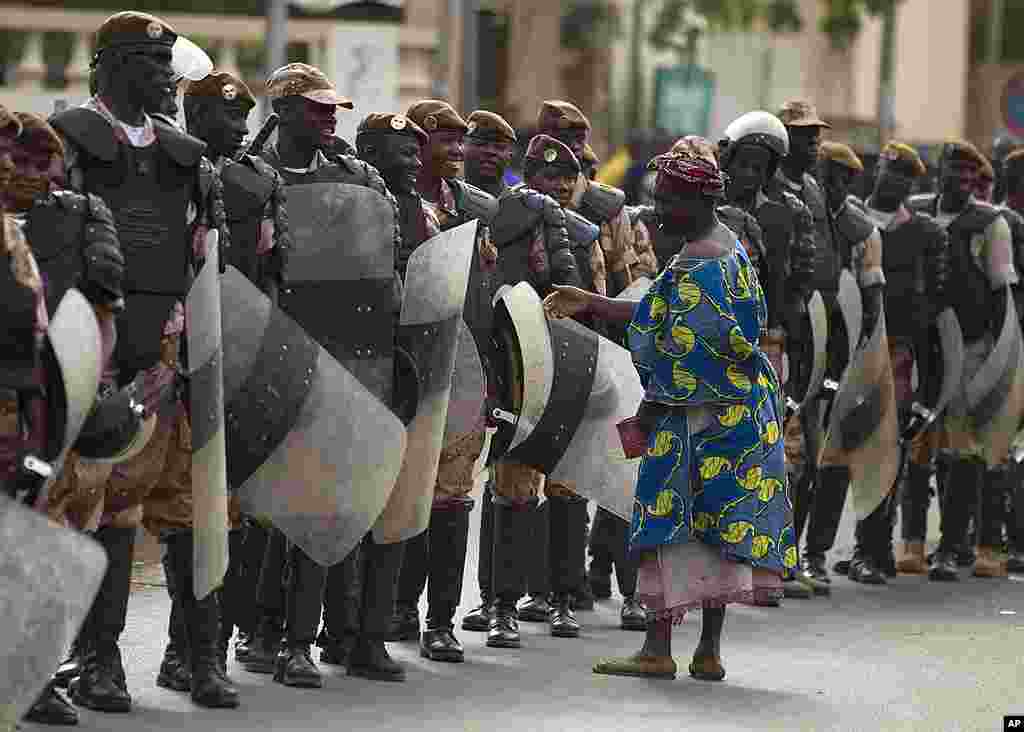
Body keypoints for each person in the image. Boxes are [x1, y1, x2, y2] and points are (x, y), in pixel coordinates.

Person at [544, 136, 794, 682]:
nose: (657, 211)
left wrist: (651, 413)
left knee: (666, 527)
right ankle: (707, 652)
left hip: (696, 419)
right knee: (718, 530)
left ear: (698, 203)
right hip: (736, 420)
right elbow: (661, 307)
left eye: (668, 200)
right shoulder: (722, 246)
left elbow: (680, 350)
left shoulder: (701, 266)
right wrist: (589, 300)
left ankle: (658, 649)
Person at [48, 11, 235, 713]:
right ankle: (89, 663)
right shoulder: (66, 140)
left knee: (172, 504)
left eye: (167, 66)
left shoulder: (188, 159)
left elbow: (201, 265)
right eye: (152, 65)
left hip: (168, 350)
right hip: (85, 347)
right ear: (113, 66)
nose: (166, 77)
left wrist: (191, 351)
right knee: (82, 509)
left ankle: (196, 656)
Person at [257, 62, 407, 684]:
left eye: (333, 109)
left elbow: (382, 265)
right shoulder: (248, 176)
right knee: (273, 514)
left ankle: (327, 637)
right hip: (275, 357)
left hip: (347, 361)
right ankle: (266, 633)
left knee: (334, 506)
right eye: (317, 108)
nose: (330, 118)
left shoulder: (355, 177)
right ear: (284, 110)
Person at [180, 71, 291, 674]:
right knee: (183, 513)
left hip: (243, 353)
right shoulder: (175, 168)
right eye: (226, 115)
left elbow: (273, 267)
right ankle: (182, 649)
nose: (239, 125)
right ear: (195, 116)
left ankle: (221, 642)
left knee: (240, 510)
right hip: (182, 355)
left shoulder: (258, 180)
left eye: (244, 115)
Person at [907, 140, 1021, 581]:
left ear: (978, 181)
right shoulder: (915, 210)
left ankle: (953, 548)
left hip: (969, 348)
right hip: (918, 346)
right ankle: (909, 545)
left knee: (961, 450)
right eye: (953, 170)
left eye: (970, 175)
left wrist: (996, 358)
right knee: (915, 446)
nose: (960, 180)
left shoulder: (991, 223)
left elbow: (1000, 294)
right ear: (938, 172)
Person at [855, 143, 949, 582]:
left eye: (904, 178)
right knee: (835, 457)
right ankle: (833, 552)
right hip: (849, 349)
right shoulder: (850, 219)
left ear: (913, 186)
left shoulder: (923, 234)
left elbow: (932, 301)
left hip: (896, 351)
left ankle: (871, 549)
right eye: (890, 173)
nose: (895, 182)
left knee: (886, 449)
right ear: (878, 172)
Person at [459, 109, 519, 634]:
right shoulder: (443, 205)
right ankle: (410, 612)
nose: (491, 154)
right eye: (481, 143)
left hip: (511, 357)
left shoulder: (526, 211)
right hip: (448, 356)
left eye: (502, 147)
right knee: (440, 489)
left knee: (511, 483)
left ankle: (501, 604)